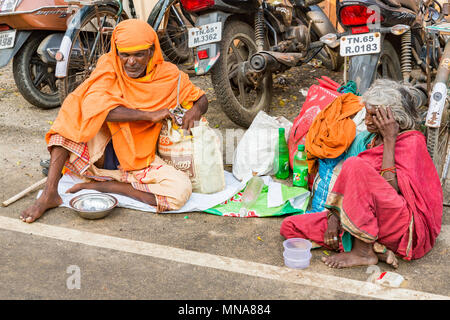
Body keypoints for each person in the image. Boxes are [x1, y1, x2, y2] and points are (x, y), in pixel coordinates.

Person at [20, 19, 208, 223]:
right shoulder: (108, 66)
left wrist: (195, 111)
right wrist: (149, 114)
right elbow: (93, 108)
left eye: (139, 54)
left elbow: (201, 97)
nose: (131, 62)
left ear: (152, 52)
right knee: (72, 110)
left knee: (180, 191)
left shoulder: (169, 76)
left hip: (140, 162)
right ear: (117, 52)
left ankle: (105, 186)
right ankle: (49, 193)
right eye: (125, 54)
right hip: (98, 153)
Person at [280, 79, 443, 268]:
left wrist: (390, 140)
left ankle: (363, 252)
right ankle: (376, 248)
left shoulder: (412, 143)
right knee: (290, 226)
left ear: (393, 118)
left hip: (400, 226)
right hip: (366, 221)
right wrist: (333, 216)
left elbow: (390, 193)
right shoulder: (368, 140)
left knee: (354, 164)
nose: (366, 121)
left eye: (374, 116)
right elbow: (349, 186)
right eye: (367, 113)